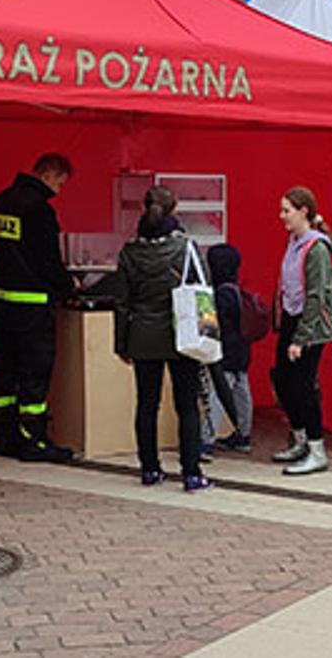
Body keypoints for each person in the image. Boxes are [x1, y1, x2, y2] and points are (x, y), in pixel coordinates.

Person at [112, 186, 213, 493]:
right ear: (174, 209)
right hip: (181, 334)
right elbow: (204, 288)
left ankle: (150, 469)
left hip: (142, 336)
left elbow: (122, 302)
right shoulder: (187, 248)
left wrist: (122, 343)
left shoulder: (129, 252)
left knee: (147, 403)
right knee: (186, 405)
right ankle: (192, 473)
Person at [0, 153, 78, 463]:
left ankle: (6, 435)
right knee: (34, 374)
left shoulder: (0, 202)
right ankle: (33, 439)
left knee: (4, 371)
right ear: (49, 174)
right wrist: (69, 286)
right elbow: (49, 261)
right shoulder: (40, 210)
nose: (59, 190)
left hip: (5, 302)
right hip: (35, 305)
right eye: (60, 183)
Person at [273, 187, 332, 476]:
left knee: (305, 386)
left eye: (287, 210)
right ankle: (300, 439)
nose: (282, 216)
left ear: (303, 211)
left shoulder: (316, 248)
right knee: (284, 381)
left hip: (311, 324)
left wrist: (301, 339)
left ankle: (316, 450)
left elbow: (317, 295)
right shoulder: (294, 241)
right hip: (292, 317)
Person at [205, 244, 254, 452]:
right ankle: (243, 434)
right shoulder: (237, 291)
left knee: (216, 394)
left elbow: (215, 326)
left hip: (225, 352)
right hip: (242, 351)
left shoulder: (220, 295)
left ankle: (205, 439)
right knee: (242, 392)